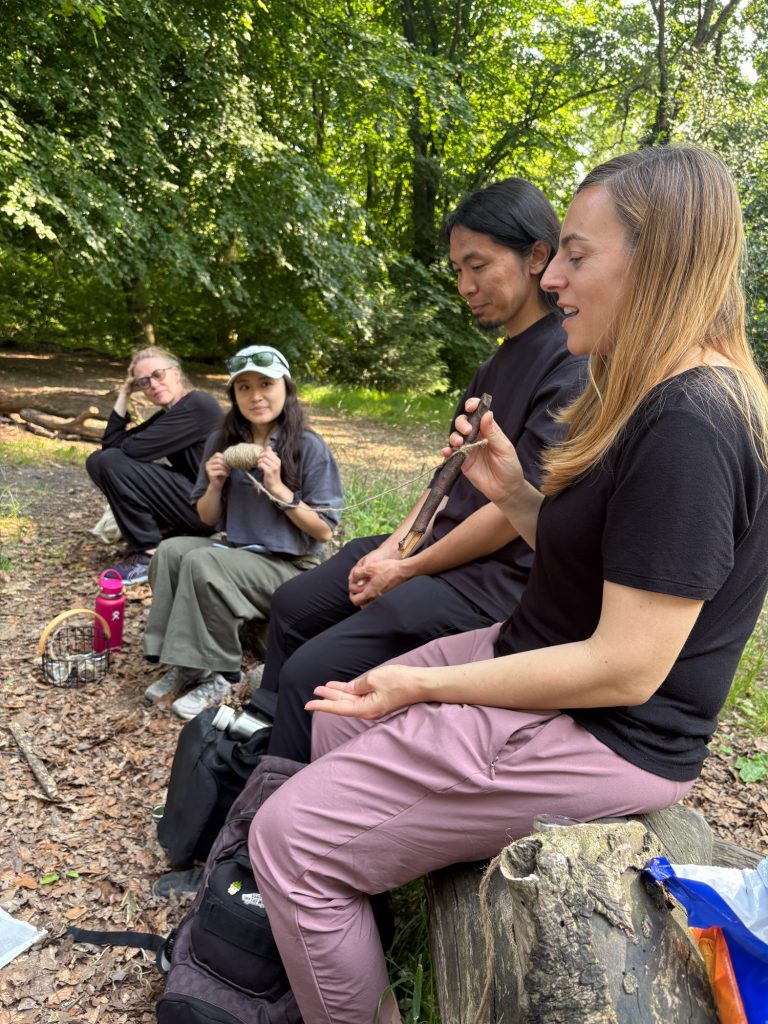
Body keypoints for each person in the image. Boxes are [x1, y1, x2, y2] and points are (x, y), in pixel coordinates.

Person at [247, 145, 768, 1023]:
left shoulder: (693, 425)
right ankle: (360, 925)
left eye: (575, 252)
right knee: (336, 722)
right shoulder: (648, 394)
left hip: (604, 731)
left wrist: (421, 681)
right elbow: (601, 568)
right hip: (542, 658)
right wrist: (518, 496)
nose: (553, 275)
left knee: (287, 842)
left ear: (662, 260)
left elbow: (626, 668)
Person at [260, 177, 586, 761]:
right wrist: (391, 548)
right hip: (433, 556)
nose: (465, 287)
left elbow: (513, 514)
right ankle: (257, 747)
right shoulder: (493, 367)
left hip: (494, 582)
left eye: (478, 266)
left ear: (538, 256)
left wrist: (406, 571)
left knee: (312, 669)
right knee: (292, 607)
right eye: (458, 270)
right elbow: (447, 481)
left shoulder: (570, 362)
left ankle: (275, 806)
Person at [143, 345, 343, 721]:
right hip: (240, 552)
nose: (256, 396)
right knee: (171, 551)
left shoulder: (307, 446)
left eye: (266, 384)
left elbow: (323, 531)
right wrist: (216, 484)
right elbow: (206, 518)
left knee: (205, 561)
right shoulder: (222, 442)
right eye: (244, 387)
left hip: (292, 565)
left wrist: (281, 490)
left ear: (286, 387)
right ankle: (189, 661)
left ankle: (224, 673)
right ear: (234, 395)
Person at [86, 346, 223, 585]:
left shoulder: (198, 405)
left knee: (110, 461)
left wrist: (124, 451)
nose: (153, 384)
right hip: (193, 502)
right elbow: (111, 444)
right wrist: (124, 394)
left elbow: (131, 450)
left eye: (158, 375)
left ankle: (148, 553)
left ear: (176, 374)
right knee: (98, 461)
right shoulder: (170, 414)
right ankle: (162, 530)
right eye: (143, 382)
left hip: (214, 510)